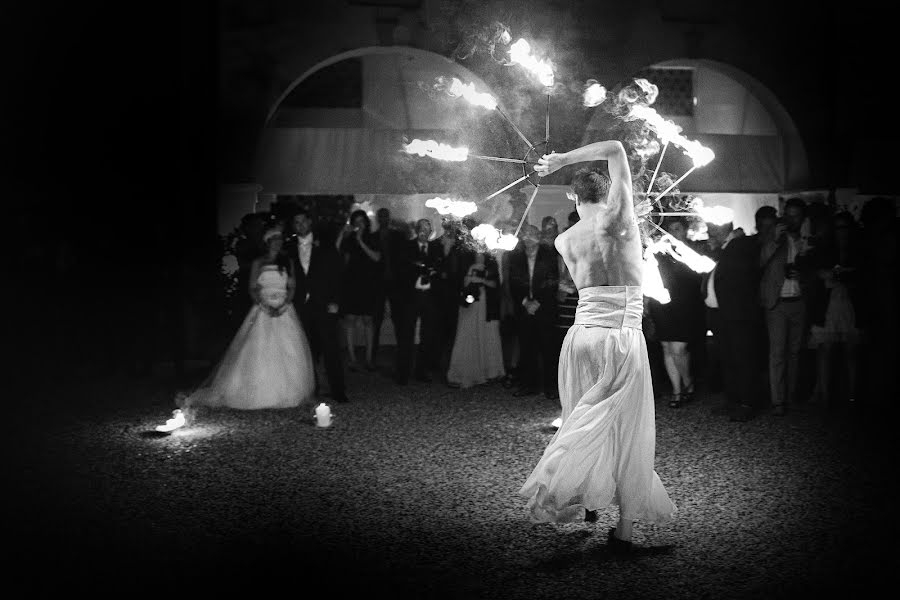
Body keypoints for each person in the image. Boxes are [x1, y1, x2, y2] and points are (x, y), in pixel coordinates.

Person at [519, 141, 676, 553]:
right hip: (619, 338)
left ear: (573, 196)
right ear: (609, 194)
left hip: (579, 337)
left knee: (584, 417)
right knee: (628, 431)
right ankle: (621, 533)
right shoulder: (619, 219)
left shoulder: (562, 241)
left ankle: (588, 500)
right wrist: (562, 159)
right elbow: (617, 148)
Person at [183, 227, 316, 410]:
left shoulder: (287, 261)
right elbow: (253, 287)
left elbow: (292, 286)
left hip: (284, 308)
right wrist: (264, 305)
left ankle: (289, 392)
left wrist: (284, 304)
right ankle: (258, 392)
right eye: (274, 239)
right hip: (263, 307)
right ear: (267, 242)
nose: (278, 241)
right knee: (260, 348)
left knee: (288, 348)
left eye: (280, 238)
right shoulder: (259, 262)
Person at [760, 197, 813, 416]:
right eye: (788, 214)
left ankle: (790, 398)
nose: (791, 219)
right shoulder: (773, 236)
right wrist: (774, 239)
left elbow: (813, 270)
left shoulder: (806, 239)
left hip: (798, 301)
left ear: (802, 218)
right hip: (778, 302)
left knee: (794, 352)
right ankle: (778, 401)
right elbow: (760, 262)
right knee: (778, 353)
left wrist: (804, 273)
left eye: (796, 215)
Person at [289, 210, 349, 404]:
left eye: (302, 221)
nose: (299, 226)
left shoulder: (326, 245)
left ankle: (338, 390)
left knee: (331, 349)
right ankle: (312, 389)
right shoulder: (290, 248)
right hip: (301, 306)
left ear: (309, 222)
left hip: (324, 304)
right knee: (307, 349)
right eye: (296, 222)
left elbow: (338, 275)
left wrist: (336, 301)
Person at [646, 216, 703, 408]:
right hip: (662, 305)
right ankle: (677, 391)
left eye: (677, 228)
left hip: (685, 305)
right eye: (670, 229)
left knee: (679, 349)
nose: (673, 232)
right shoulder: (659, 253)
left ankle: (688, 383)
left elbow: (698, 280)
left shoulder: (693, 251)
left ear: (685, 230)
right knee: (667, 348)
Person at [507, 223, 560, 399]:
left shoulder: (549, 255)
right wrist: (525, 302)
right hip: (524, 309)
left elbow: (552, 281)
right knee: (526, 347)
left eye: (531, 234)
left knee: (548, 348)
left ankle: (550, 387)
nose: (527, 237)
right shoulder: (516, 257)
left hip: (544, 308)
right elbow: (513, 281)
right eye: (525, 234)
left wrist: (537, 301)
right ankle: (529, 385)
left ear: (537, 236)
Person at [446, 247, 505, 388]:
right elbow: (460, 281)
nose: (479, 255)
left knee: (483, 335)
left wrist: (481, 281)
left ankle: (487, 370)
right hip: (469, 304)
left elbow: (495, 284)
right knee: (467, 334)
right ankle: (464, 371)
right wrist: (471, 281)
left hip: (484, 305)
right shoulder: (465, 261)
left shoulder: (491, 265)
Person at [394, 219, 441, 384]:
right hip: (411, 297)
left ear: (430, 232)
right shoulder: (407, 247)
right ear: (416, 230)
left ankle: (422, 371)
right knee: (406, 334)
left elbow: (440, 268)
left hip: (429, 297)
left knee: (427, 335)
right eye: (421, 228)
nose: (423, 231)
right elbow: (401, 270)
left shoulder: (436, 248)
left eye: (427, 229)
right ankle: (403, 373)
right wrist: (418, 267)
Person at [339, 209, 382, 371]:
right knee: (350, 320)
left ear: (366, 222)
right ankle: (352, 358)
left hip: (368, 283)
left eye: (361, 221)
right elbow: (342, 258)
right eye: (355, 222)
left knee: (368, 321)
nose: (359, 224)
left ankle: (369, 359)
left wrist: (361, 241)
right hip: (351, 283)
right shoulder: (349, 239)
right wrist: (344, 236)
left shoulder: (372, 237)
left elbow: (377, 257)